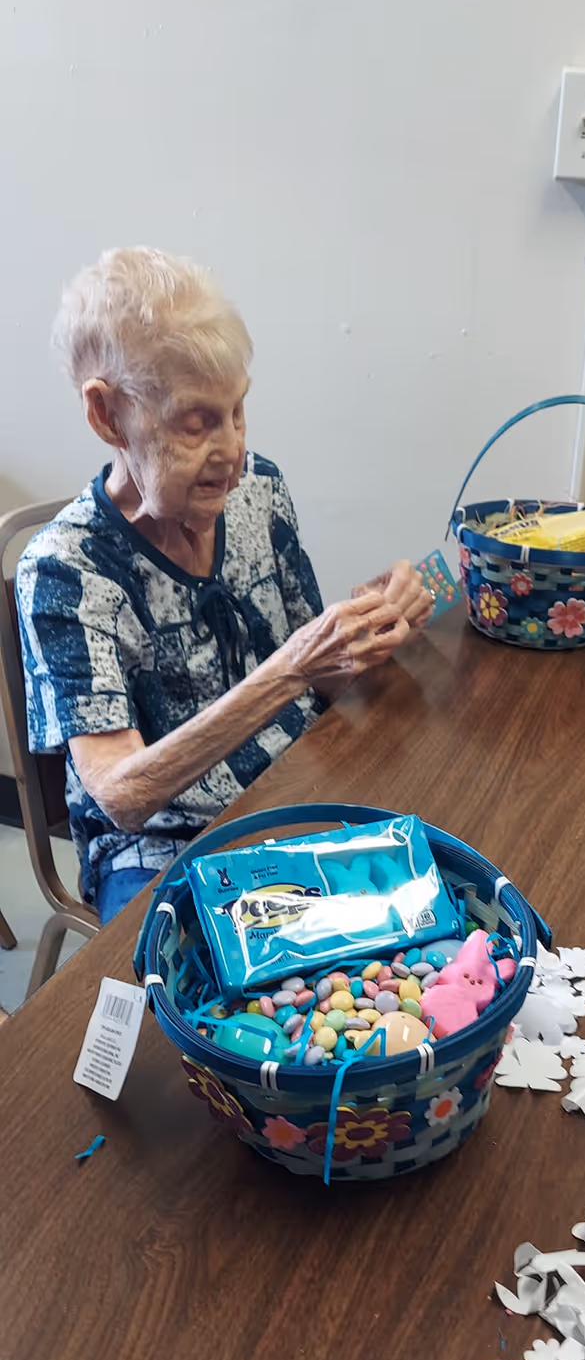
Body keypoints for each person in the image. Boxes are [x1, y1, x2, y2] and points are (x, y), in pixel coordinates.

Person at [16, 248, 431, 924]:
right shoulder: (66, 571)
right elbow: (123, 794)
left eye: (238, 411)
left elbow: (325, 681)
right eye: (196, 422)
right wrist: (289, 669)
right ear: (106, 415)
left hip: (300, 778)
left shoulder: (257, 490)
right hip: (162, 845)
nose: (233, 450)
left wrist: (372, 623)